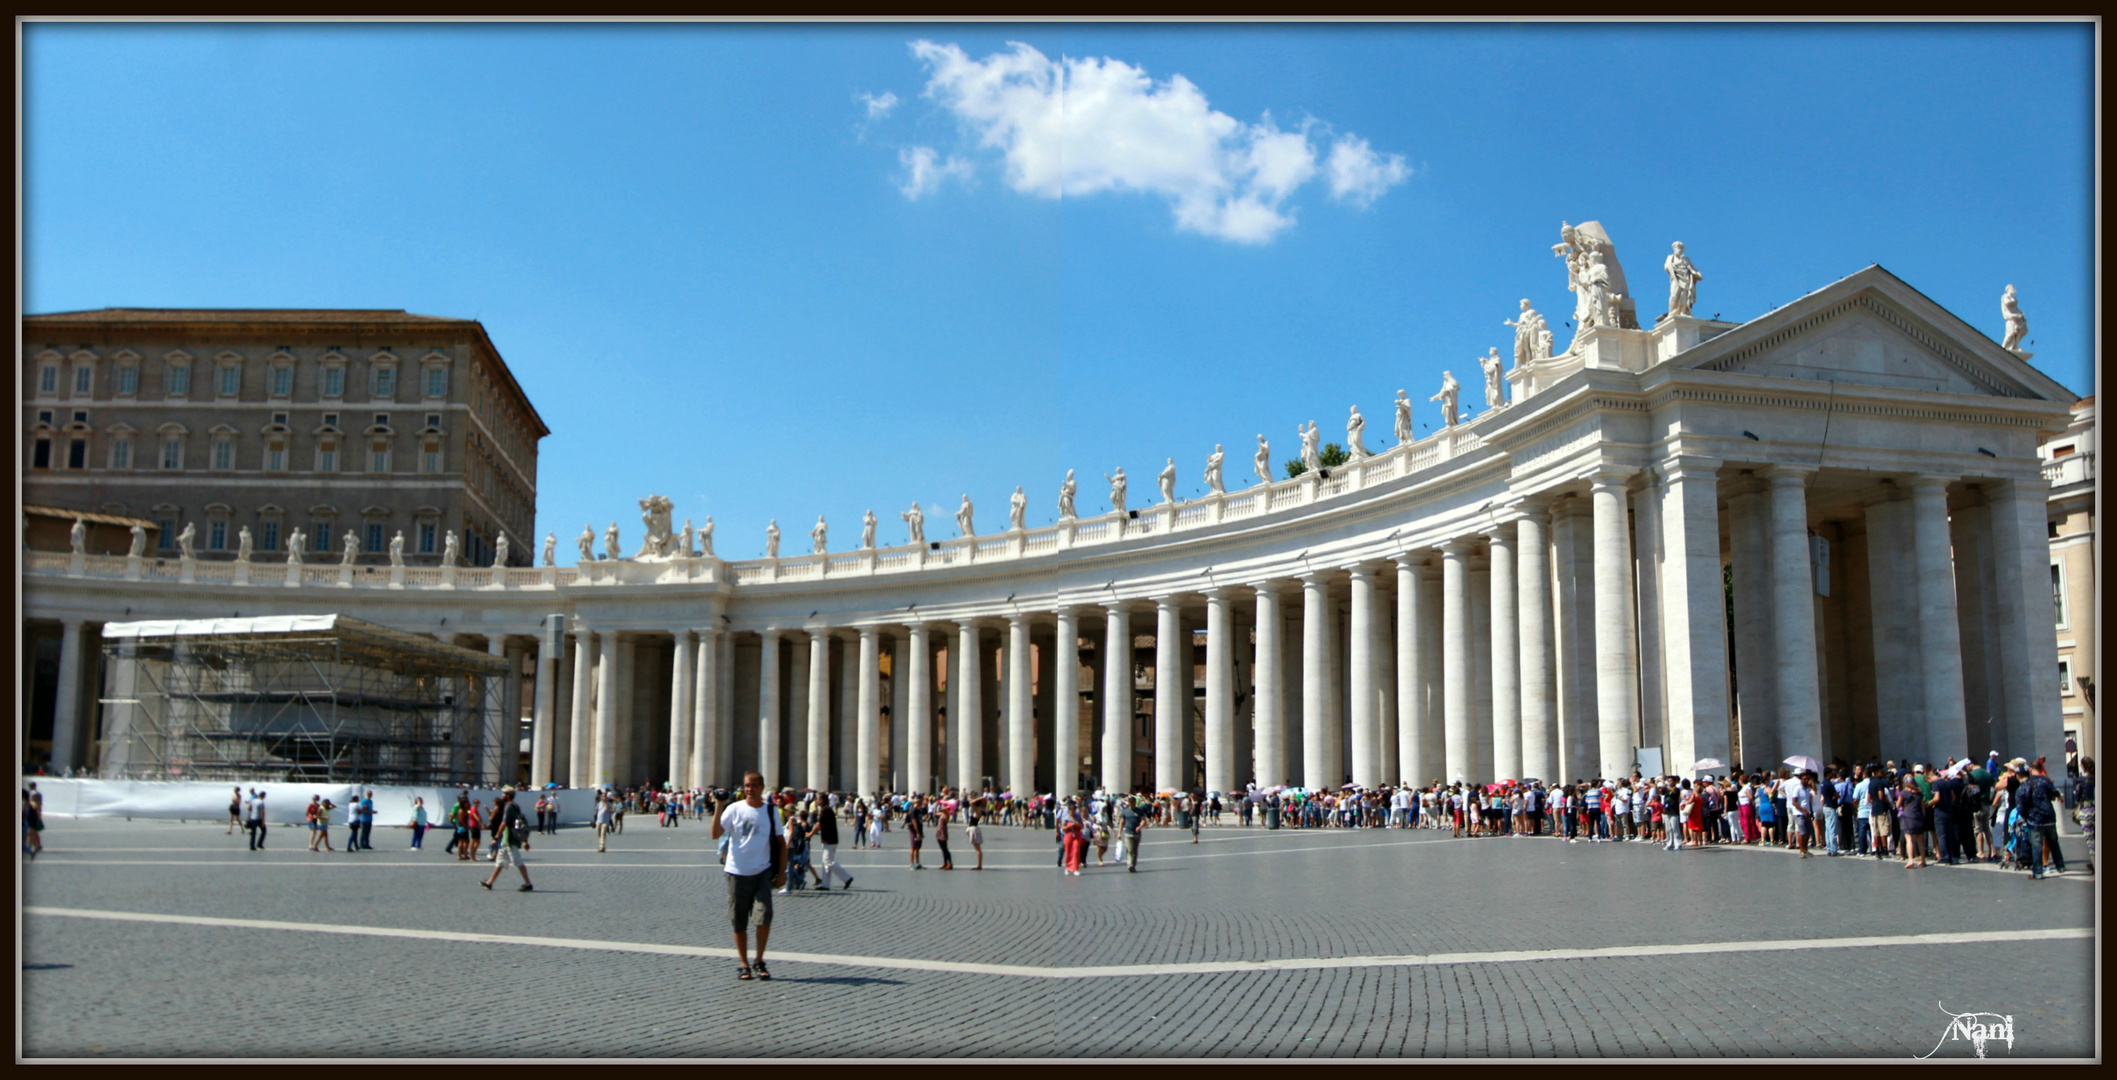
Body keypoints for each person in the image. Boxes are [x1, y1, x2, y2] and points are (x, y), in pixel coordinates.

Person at [712, 772, 784, 981]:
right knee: (739, 920)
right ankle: (744, 963)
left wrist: (781, 873)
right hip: (736, 872)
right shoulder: (734, 809)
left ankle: (759, 959)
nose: (749, 789)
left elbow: (781, 843)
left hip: (762, 871)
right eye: (746, 786)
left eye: (753, 785)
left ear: (762, 787)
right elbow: (716, 834)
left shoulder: (771, 811)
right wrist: (719, 805)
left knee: (763, 917)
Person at [2016, 759, 2065, 879]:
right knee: (2053, 842)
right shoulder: (2044, 781)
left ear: (2018, 776)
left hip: (2035, 820)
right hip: (2049, 817)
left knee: (2036, 846)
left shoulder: (2022, 788)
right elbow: (2054, 791)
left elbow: (2020, 808)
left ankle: (2038, 872)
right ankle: (2060, 866)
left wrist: (2026, 817)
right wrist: (2057, 797)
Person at [480, 787, 534, 891]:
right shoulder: (515, 806)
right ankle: (490, 882)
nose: (502, 795)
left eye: (503, 794)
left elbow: (504, 823)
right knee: (500, 861)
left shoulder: (508, 807)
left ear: (508, 795)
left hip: (510, 839)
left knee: (517, 861)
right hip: (507, 839)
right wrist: (524, 840)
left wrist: (496, 837)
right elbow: (519, 823)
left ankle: (528, 883)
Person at [812, 797, 853, 891]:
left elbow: (819, 824)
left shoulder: (825, 810)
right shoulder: (827, 809)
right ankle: (825, 884)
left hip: (829, 840)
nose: (817, 801)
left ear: (822, 800)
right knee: (825, 863)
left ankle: (847, 878)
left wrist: (810, 834)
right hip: (829, 839)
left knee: (827, 861)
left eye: (818, 799)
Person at [1893, 774, 1927, 869]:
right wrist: (1922, 817)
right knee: (1920, 840)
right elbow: (1923, 808)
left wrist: (1896, 803)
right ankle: (1923, 860)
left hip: (1908, 817)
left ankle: (1911, 859)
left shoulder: (1903, 793)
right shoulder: (1919, 793)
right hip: (1918, 817)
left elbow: (1898, 805)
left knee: (1909, 839)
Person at [1120, 795, 1148, 872]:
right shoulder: (1125, 812)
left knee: (1135, 850)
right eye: (1130, 802)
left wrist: (1139, 827)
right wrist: (1119, 833)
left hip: (1137, 834)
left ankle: (1133, 864)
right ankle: (1130, 865)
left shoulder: (1139, 811)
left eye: (1133, 802)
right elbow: (1121, 823)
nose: (1132, 804)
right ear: (1128, 803)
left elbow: (1143, 820)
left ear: (1135, 802)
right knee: (1130, 850)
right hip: (1128, 833)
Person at [23, 782, 45, 858]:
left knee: (30, 831)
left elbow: (36, 805)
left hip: (32, 815)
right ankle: (35, 845)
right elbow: (39, 805)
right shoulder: (38, 794)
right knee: (32, 831)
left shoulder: (32, 795)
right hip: (34, 815)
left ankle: (34, 846)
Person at [905, 795, 926, 870]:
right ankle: (911, 864)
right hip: (914, 831)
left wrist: (921, 832)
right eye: (921, 800)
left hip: (919, 831)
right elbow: (914, 822)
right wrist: (917, 832)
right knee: (913, 848)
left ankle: (917, 863)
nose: (922, 802)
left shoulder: (918, 809)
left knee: (917, 848)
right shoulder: (914, 810)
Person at [934, 797, 954, 870]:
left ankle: (950, 863)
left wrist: (943, 803)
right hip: (939, 832)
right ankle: (945, 862)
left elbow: (943, 809)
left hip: (943, 833)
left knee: (945, 849)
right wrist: (936, 805)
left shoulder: (946, 814)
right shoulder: (942, 813)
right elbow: (935, 812)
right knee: (942, 849)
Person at [966, 797, 985, 870]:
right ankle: (979, 864)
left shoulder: (977, 810)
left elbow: (971, 802)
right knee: (977, 848)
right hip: (973, 829)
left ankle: (979, 865)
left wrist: (980, 798)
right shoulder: (977, 810)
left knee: (978, 849)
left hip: (974, 829)